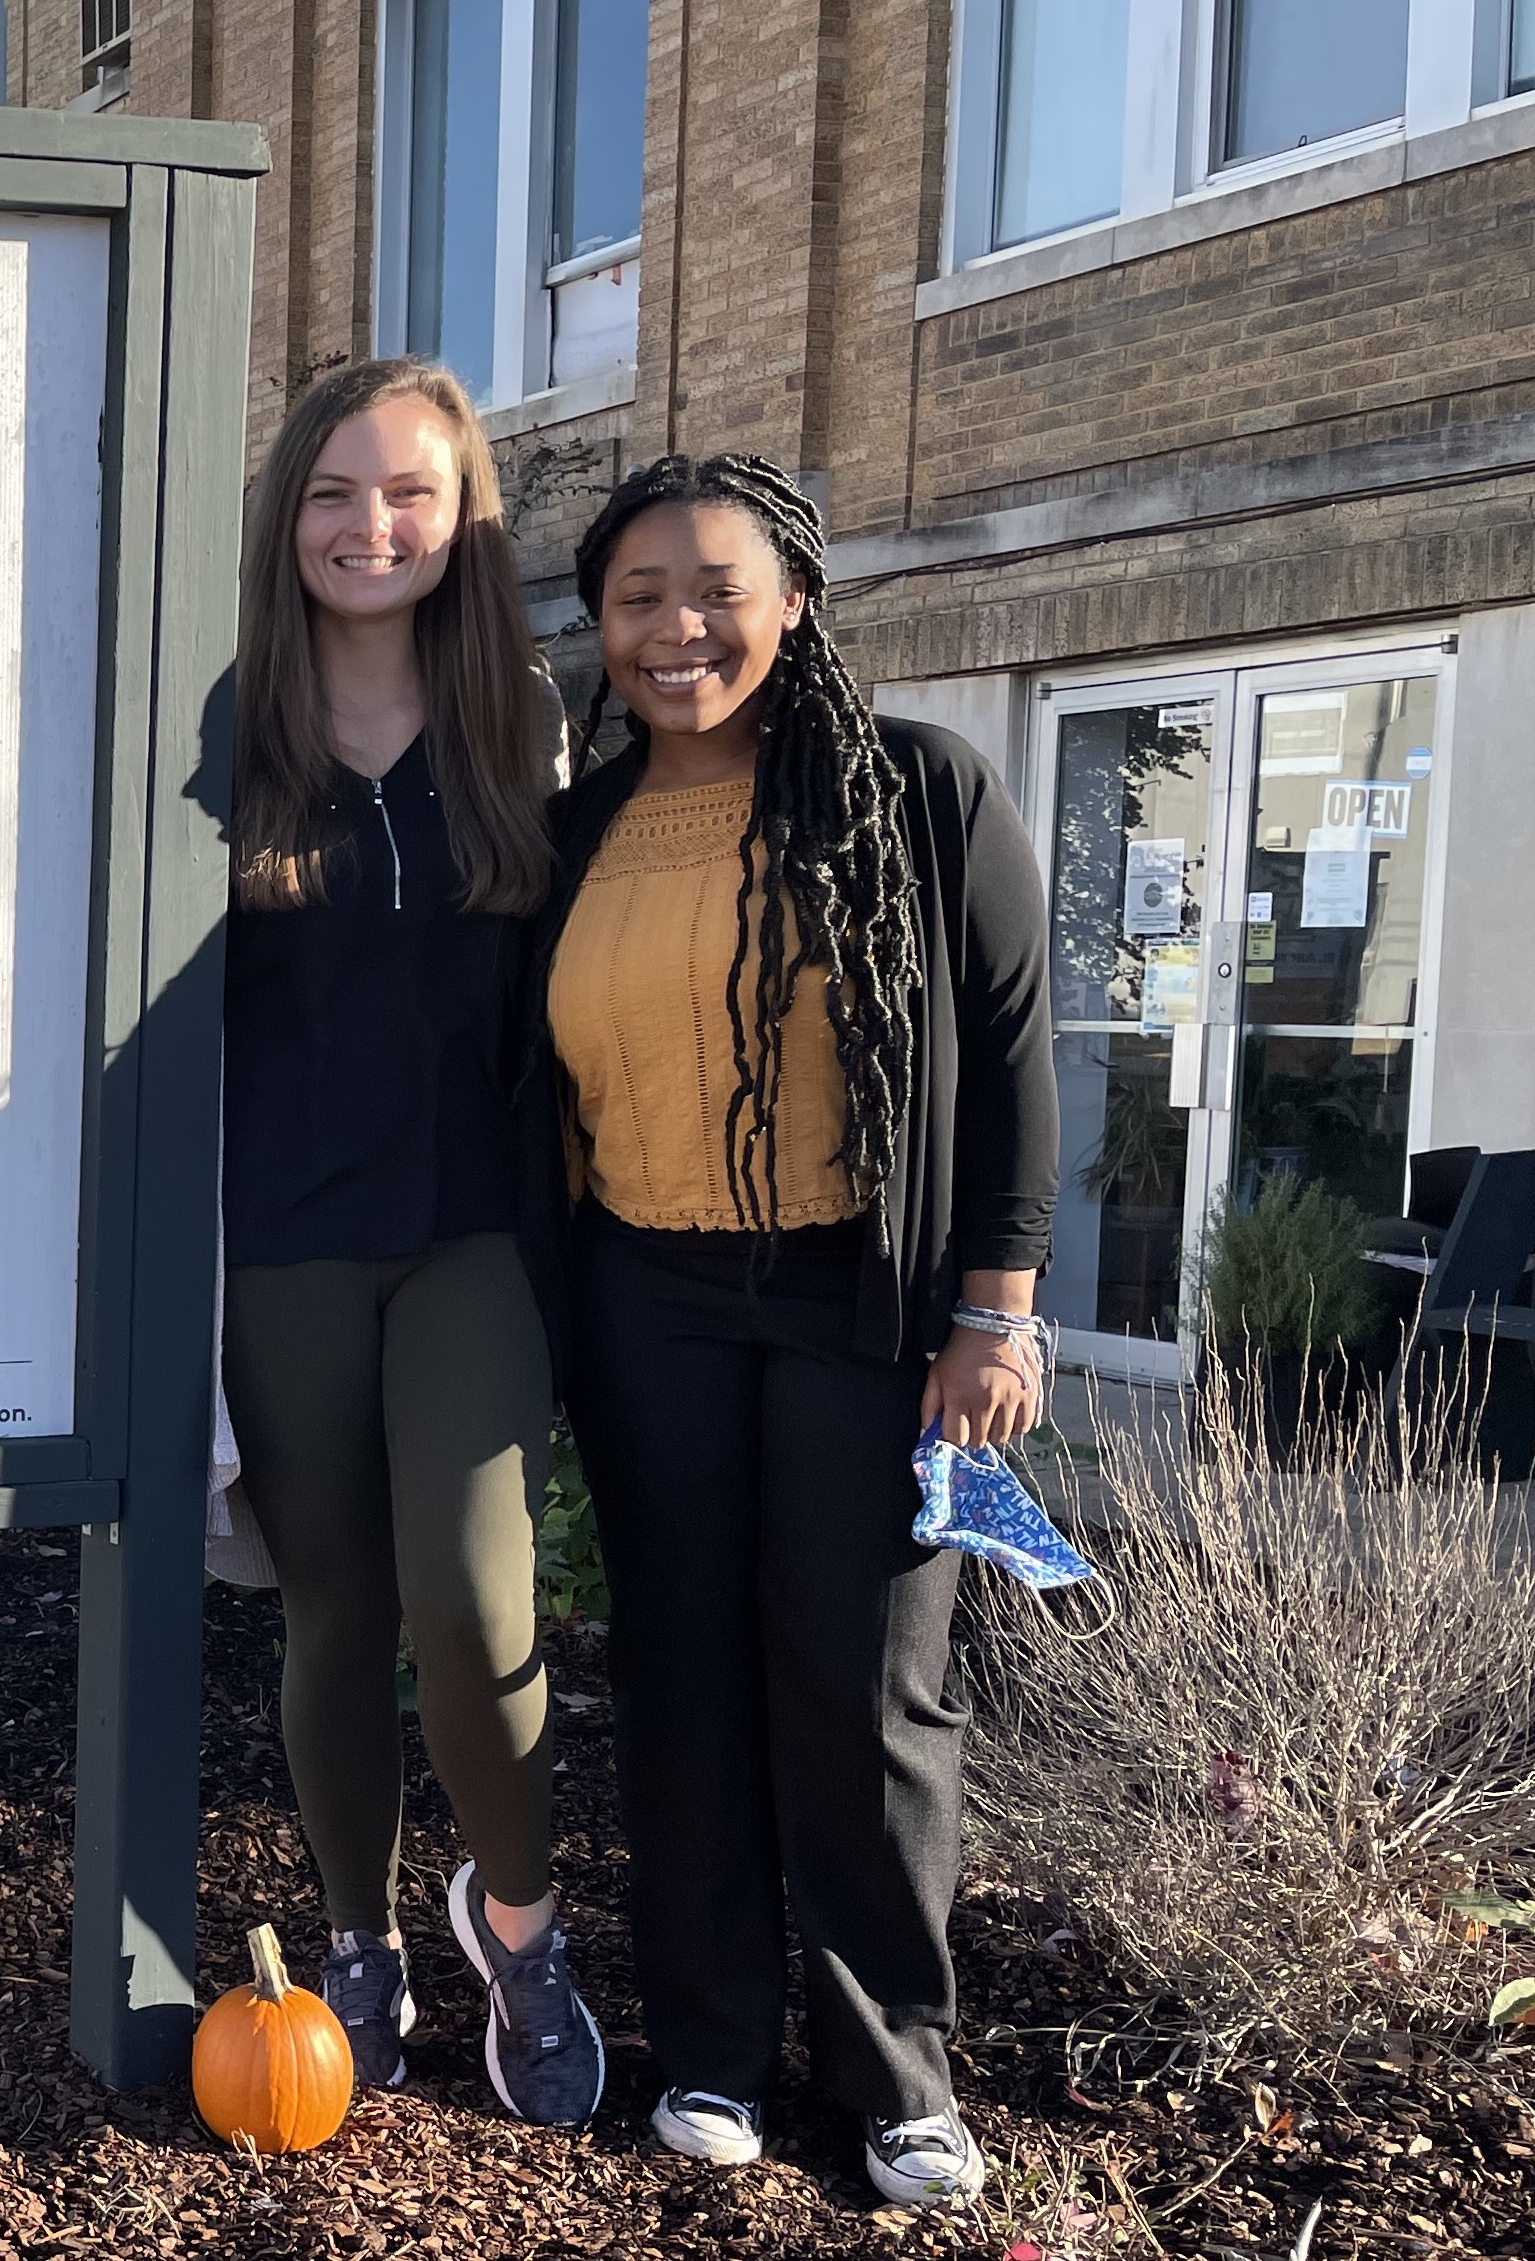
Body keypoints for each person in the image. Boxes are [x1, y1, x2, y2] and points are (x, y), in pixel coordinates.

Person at [542, 453, 1054, 2206]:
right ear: (599, 628)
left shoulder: (919, 792)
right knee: (682, 1674)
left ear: (797, 603)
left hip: (865, 1302)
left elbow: (1006, 1059)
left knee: (867, 1682)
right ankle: (709, 2049)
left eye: (715, 589)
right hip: (643, 1300)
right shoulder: (577, 831)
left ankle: (897, 2068)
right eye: (637, 598)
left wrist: (1000, 1309)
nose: (677, 627)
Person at [212, 358, 602, 2126]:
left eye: (412, 496)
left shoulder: (523, 720)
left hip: (471, 1236)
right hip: (279, 1240)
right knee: (334, 1607)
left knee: (471, 1593)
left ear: (463, 520)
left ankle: (517, 1930)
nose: (372, 528)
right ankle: (355, 1943)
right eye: (335, 494)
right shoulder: (217, 728)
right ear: (286, 515)